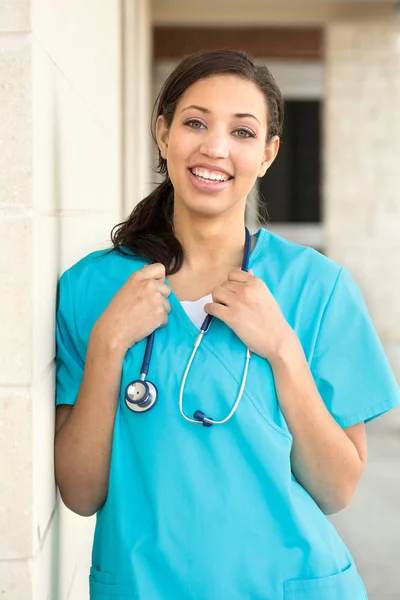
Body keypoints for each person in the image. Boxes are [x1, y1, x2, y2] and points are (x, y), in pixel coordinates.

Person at [54, 49, 400, 600]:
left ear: (268, 154)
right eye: (195, 123)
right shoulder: (91, 291)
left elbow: (337, 489)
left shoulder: (318, 288)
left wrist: (283, 349)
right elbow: (80, 492)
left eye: (242, 132)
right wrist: (107, 344)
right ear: (162, 134)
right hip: (145, 586)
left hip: (292, 586)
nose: (214, 148)